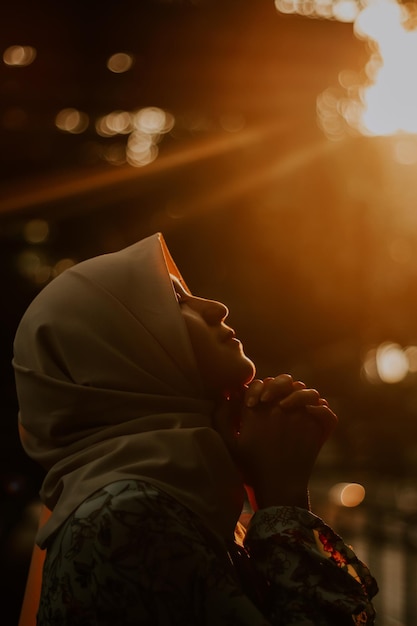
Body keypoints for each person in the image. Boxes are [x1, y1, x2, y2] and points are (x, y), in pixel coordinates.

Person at [13, 232, 378, 626]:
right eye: (176, 302)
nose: (216, 307)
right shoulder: (126, 516)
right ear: (121, 352)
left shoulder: (169, 502)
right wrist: (281, 497)